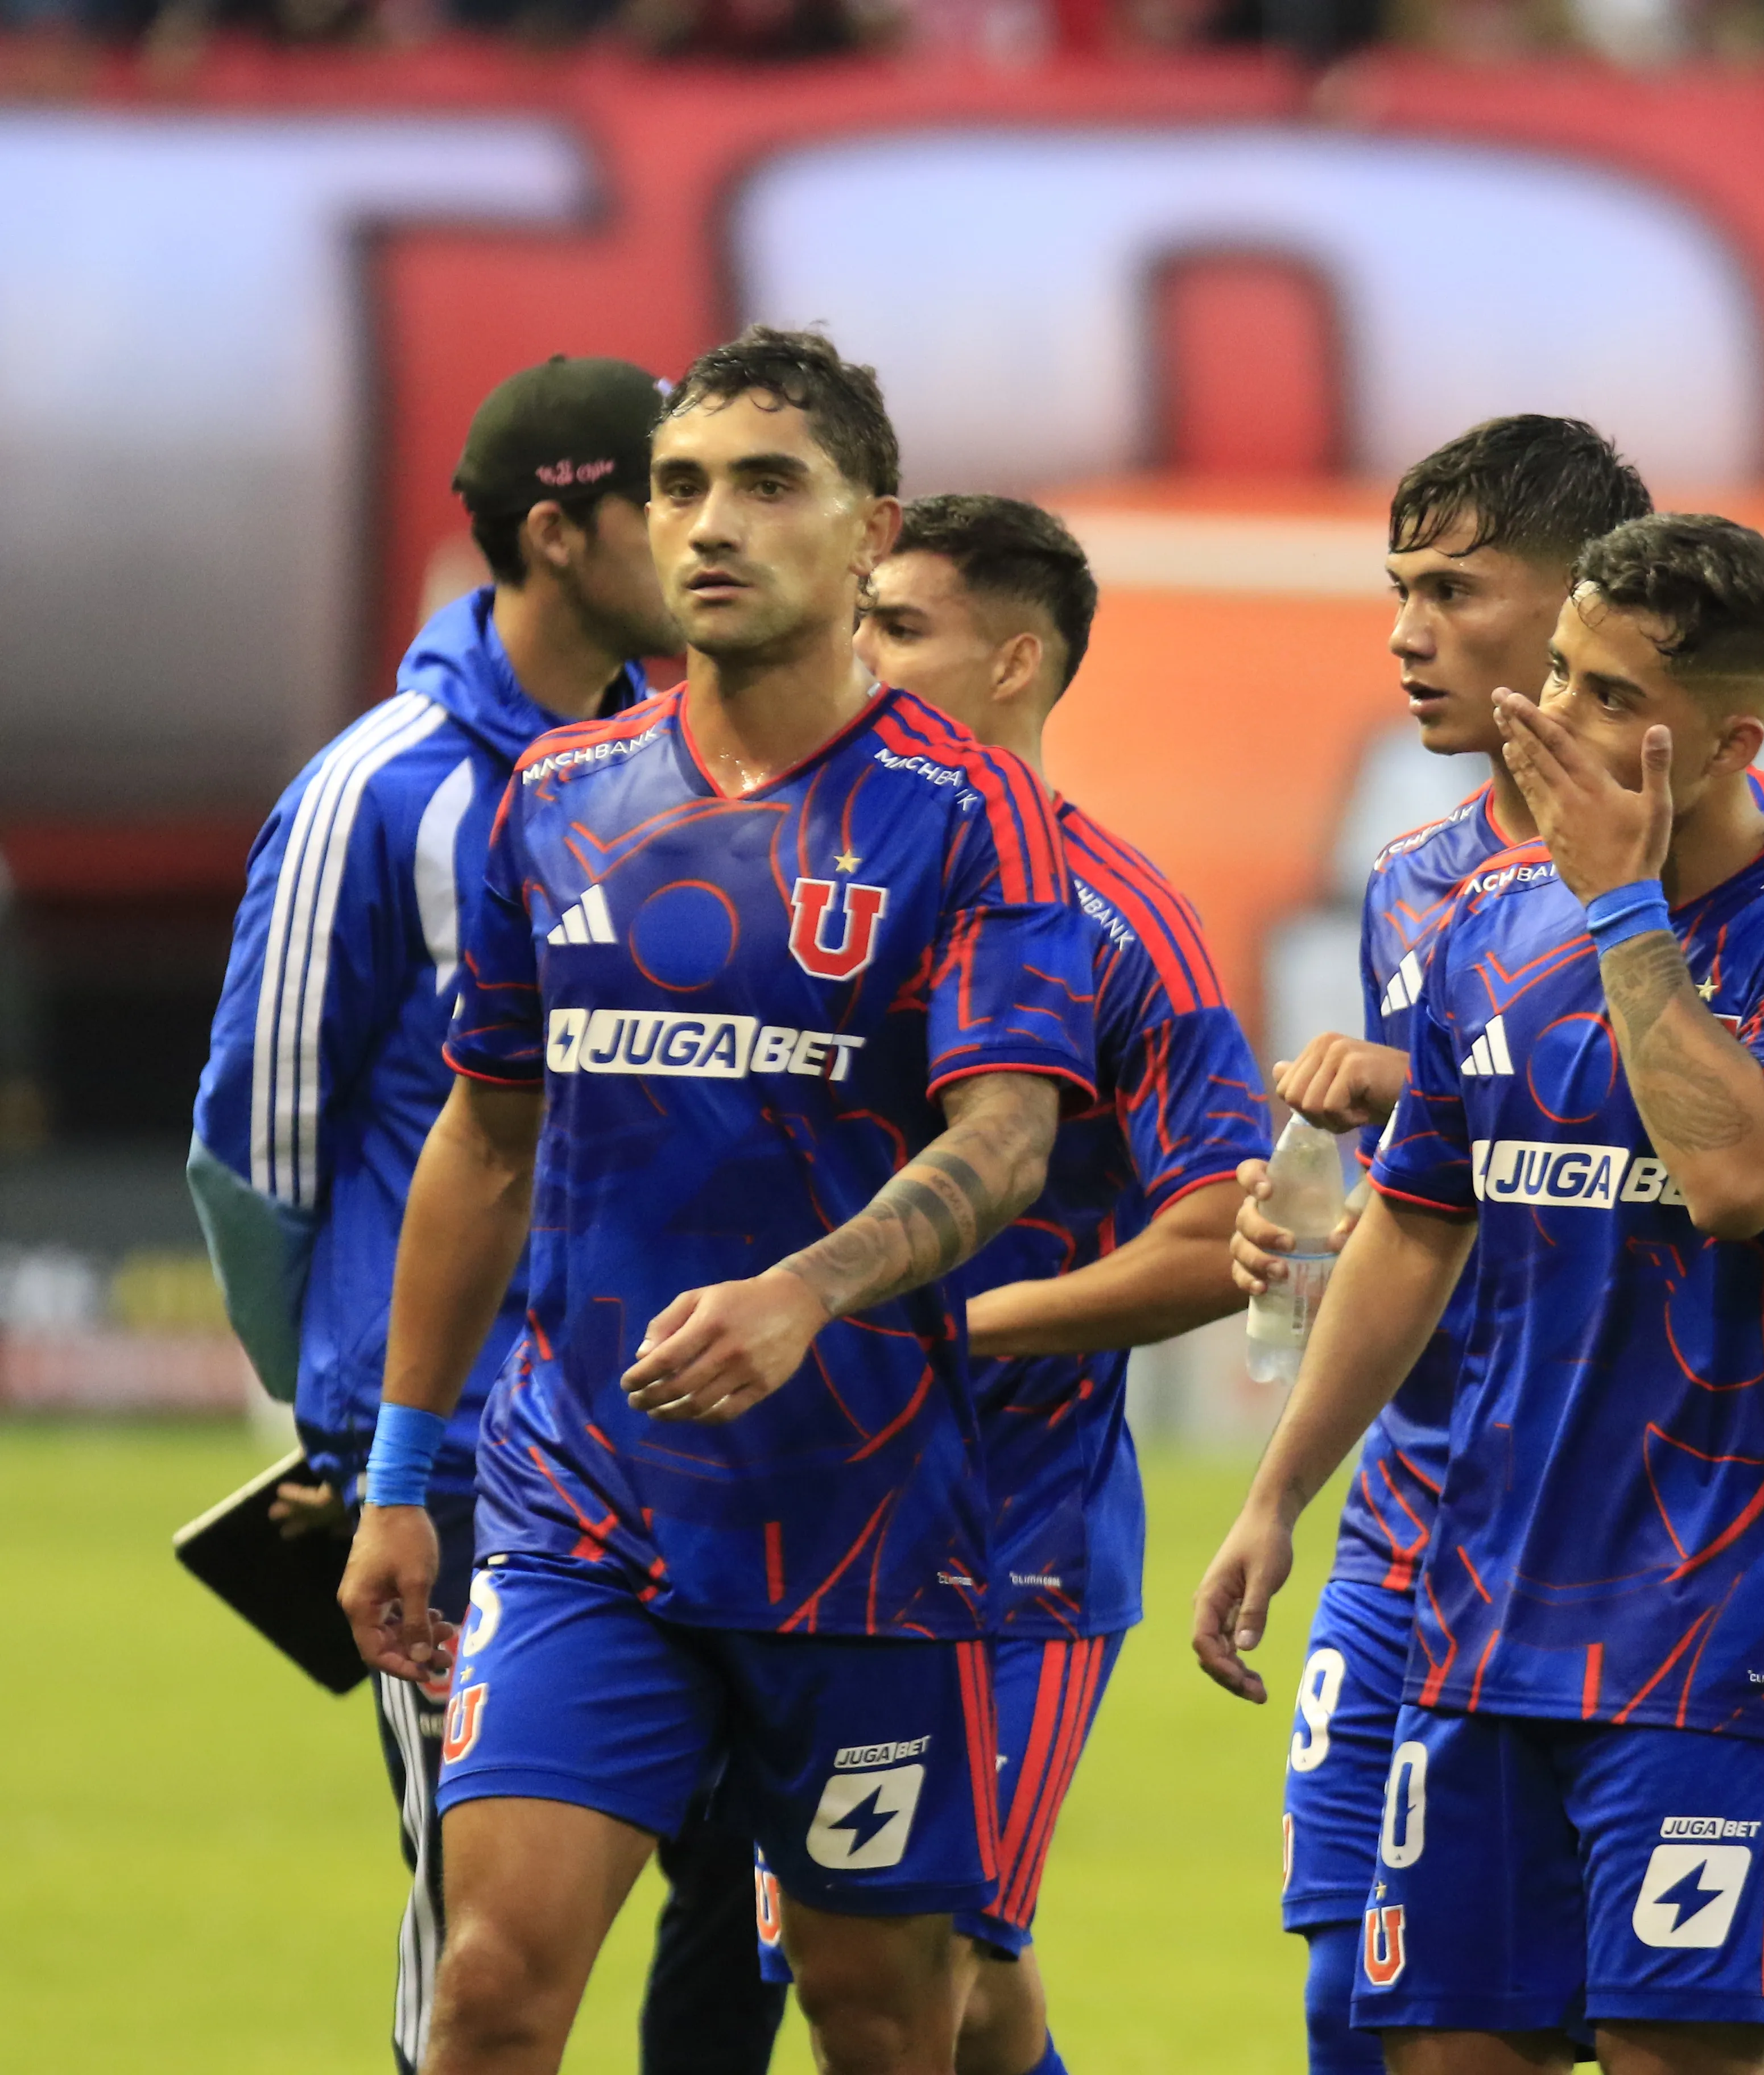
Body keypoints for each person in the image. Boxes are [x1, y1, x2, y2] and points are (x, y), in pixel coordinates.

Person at [336, 325, 1101, 2075]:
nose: (709, 524)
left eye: (768, 485)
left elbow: (1004, 1144)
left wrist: (806, 1293)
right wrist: (399, 1469)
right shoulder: (553, 802)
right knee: (492, 1994)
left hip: (868, 1533)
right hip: (579, 1504)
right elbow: (483, 1137)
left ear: (865, 531)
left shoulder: (971, 818)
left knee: (882, 2018)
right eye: (680, 486)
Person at [1197, 512, 1764, 2075]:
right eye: (1559, 678)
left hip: (1715, 1628)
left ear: (1729, 740)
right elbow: (1413, 1222)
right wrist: (1279, 1495)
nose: (1550, 722)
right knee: (1429, 2047)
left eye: (1608, 698)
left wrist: (1621, 910)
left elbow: (1738, 1177)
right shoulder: (1483, 921)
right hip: (1476, 1615)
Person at [188, 354, 785, 2075]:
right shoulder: (379, 791)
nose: (700, 533)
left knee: (750, 1919)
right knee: (484, 1952)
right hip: (454, 1463)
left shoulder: (691, 770)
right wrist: (350, 1419)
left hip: (702, 1437)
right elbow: (256, 1150)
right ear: (558, 529)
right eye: (661, 497)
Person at [738, 490, 1264, 2075]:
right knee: (901, 1986)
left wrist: (920, 1321)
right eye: (856, 624)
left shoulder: (1118, 927)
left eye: (900, 627)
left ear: (1019, 662)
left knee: (931, 1967)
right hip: (770, 1517)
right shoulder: (770, 881)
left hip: (1003, 1534)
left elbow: (1220, 1230)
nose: (859, 657)